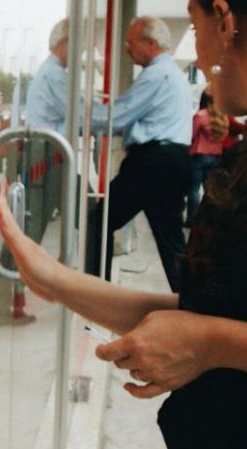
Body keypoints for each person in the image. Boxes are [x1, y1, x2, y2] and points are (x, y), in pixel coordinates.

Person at [0, 1, 247, 447]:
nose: (196, 58)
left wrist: (208, 341)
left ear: (224, 21)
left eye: (195, 29)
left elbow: (208, 328)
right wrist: (53, 278)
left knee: (110, 220)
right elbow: (208, 313)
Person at [91, 16, 193, 293]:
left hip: (153, 163)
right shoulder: (172, 73)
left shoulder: (157, 74)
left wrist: (77, 118)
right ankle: (191, 302)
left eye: (131, 43)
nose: (126, 49)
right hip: (172, 160)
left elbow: (119, 115)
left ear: (150, 43)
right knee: (171, 241)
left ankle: (97, 295)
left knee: (97, 222)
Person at [0, 19, 70, 327]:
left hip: (48, 155)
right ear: (64, 44)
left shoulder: (52, 73)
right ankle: (3, 305)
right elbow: (82, 113)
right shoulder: (55, 75)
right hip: (44, 156)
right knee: (27, 231)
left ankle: (12, 301)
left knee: (31, 230)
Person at [186, 90, 228, 225]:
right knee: (210, 190)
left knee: (193, 190)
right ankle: (209, 219)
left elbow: (191, 136)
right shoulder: (223, 117)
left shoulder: (200, 115)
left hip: (199, 156)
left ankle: (193, 219)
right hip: (216, 156)